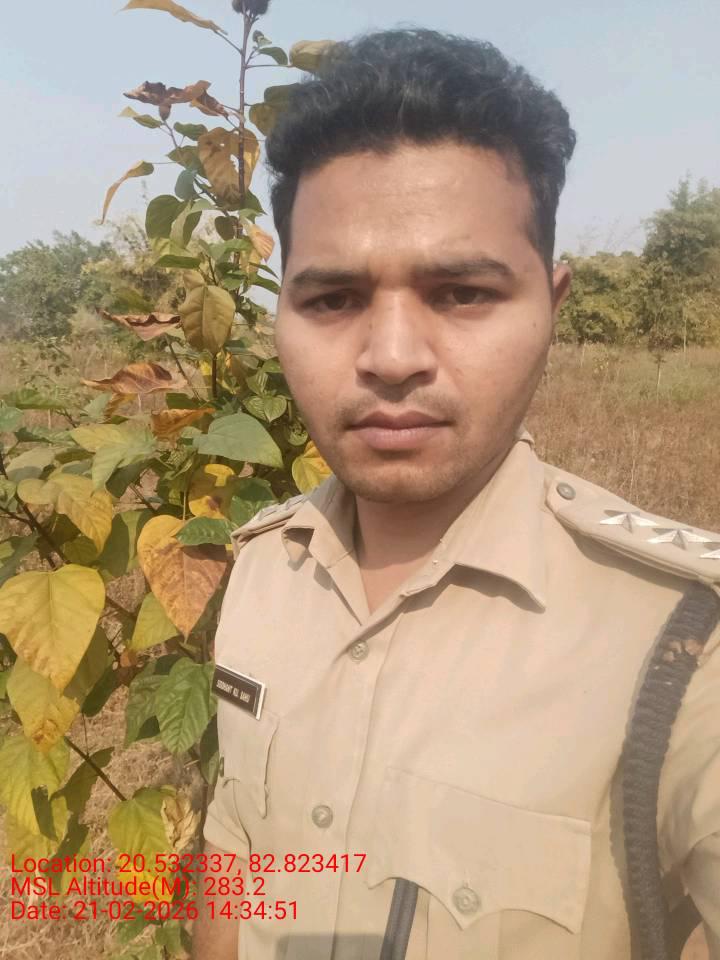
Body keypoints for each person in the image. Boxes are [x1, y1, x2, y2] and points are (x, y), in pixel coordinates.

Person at [191, 27, 720, 960]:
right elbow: (236, 864)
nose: (392, 357)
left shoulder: (683, 639)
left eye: (464, 293)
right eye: (332, 299)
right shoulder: (264, 568)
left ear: (553, 306)